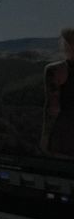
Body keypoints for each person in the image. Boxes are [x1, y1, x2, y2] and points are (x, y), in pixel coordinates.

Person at [41, 27, 74, 156]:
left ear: (66, 44)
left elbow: (52, 108)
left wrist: (45, 137)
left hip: (65, 133)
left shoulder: (56, 70)